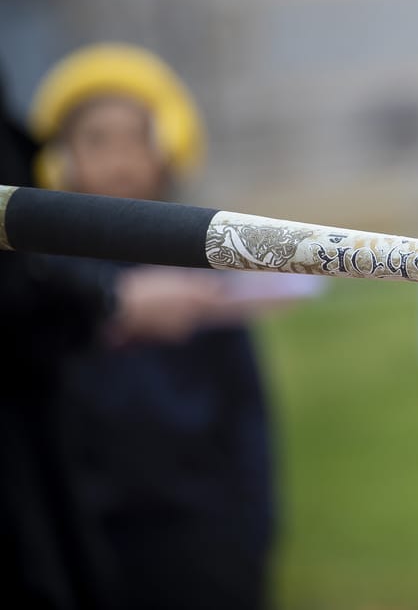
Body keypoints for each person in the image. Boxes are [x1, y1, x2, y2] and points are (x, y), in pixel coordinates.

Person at [27, 42, 290, 610]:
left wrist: (253, 530)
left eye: (136, 139)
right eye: (97, 141)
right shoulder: (46, 277)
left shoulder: (201, 255)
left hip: (202, 528)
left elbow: (245, 404)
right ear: (63, 154)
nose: (119, 159)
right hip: (94, 527)